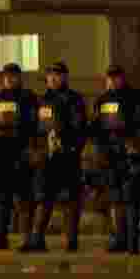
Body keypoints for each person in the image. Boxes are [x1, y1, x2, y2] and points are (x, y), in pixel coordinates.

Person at [23, 61, 88, 253]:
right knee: (43, 198)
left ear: (65, 77)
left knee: (70, 199)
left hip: (66, 156)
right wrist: (35, 149)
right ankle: (37, 240)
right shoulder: (42, 100)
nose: (52, 78)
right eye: (50, 74)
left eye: (57, 74)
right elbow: (36, 127)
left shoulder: (73, 99)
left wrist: (67, 144)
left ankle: (72, 241)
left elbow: (80, 127)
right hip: (45, 157)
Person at [0, 63, 40, 250]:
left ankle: (28, 238)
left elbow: (35, 124)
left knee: (24, 198)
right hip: (0, 155)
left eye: (13, 76)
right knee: (2, 198)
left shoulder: (28, 98)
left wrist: (32, 149)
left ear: (20, 77)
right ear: (2, 78)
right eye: (6, 76)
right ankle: (0, 236)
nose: (9, 79)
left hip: (21, 153)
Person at [91, 64, 140, 255]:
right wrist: (99, 149)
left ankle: (132, 242)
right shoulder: (102, 100)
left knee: (130, 198)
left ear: (122, 78)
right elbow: (96, 127)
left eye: (116, 77)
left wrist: (136, 146)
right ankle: (119, 239)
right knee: (115, 198)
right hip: (110, 155)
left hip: (129, 154)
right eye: (110, 77)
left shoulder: (135, 97)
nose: (112, 80)